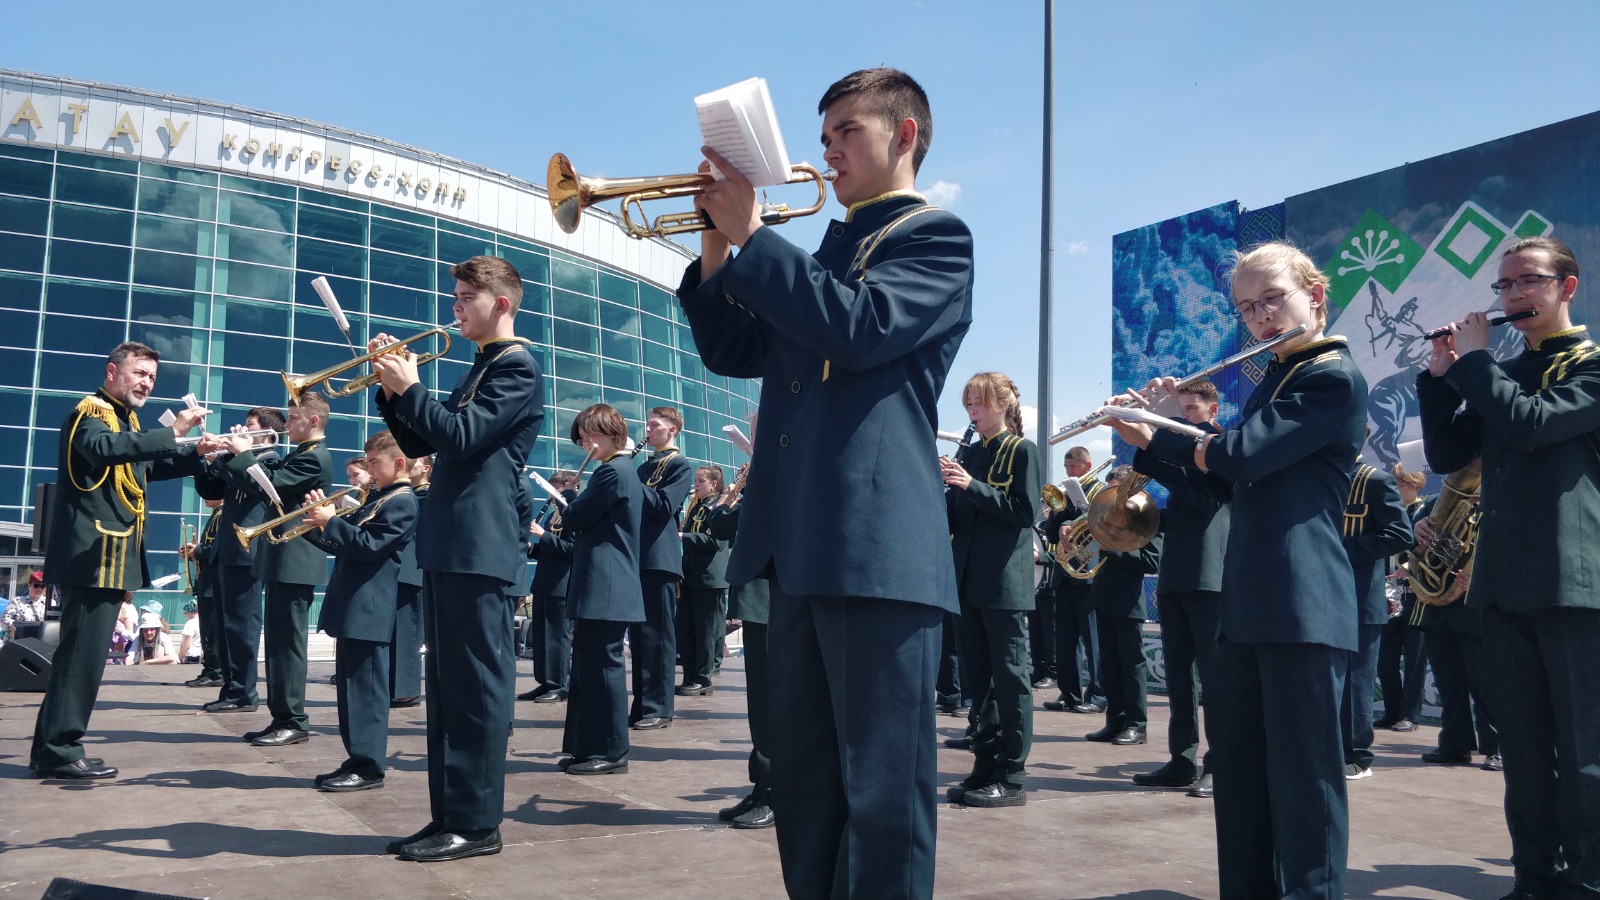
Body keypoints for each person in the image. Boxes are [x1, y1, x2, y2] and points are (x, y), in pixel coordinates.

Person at [677, 67, 973, 897]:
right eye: (824, 135)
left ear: (905, 134)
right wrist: (715, 243)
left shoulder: (935, 237)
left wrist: (755, 240)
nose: (828, 150)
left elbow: (863, 326)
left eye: (847, 131)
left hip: (877, 546)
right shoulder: (828, 253)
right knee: (805, 787)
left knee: (884, 799)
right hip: (799, 544)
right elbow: (735, 351)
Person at [1107, 241, 1368, 898]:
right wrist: (1159, 439)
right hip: (1248, 601)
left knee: (1306, 786)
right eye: (1248, 309)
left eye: (1272, 299)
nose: (1260, 319)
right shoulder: (1275, 379)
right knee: (1242, 781)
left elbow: (1245, 456)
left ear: (1315, 290)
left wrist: (1164, 427)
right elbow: (1224, 488)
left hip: (1303, 603)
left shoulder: (1329, 377)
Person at [1418, 235, 1598, 899]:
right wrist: (1439, 380)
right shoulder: (1503, 374)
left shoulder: (1594, 367)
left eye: (1528, 281)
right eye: (1504, 286)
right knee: (1521, 752)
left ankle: (1586, 883)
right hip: (1500, 582)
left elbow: (1528, 424)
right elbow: (1447, 456)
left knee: (1584, 754)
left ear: (1566, 287)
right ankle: (1533, 881)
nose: (1512, 296)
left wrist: (1473, 363)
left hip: (1574, 582)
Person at [373, 255, 543, 863]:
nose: (455, 306)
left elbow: (463, 437)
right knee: (447, 691)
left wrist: (412, 385)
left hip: (481, 543)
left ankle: (476, 824)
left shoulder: (516, 366)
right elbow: (424, 440)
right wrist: (393, 390)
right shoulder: (481, 366)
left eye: (466, 297)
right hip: (454, 541)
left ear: (501, 304)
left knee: (475, 688)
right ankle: (450, 814)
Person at [28, 340, 219, 779]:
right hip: (95, 554)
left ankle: (53, 746)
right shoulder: (91, 412)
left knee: (83, 655)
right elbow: (102, 450)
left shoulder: (125, 421)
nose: (147, 383)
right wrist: (172, 435)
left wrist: (196, 452)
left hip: (109, 555)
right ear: (112, 371)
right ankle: (59, 748)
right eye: (139, 373)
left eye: (152, 376)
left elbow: (143, 467)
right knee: (82, 656)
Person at [939, 372, 1043, 808]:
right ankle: (984, 765)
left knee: (1010, 679)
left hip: (1003, 582)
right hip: (967, 579)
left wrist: (970, 485)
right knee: (977, 679)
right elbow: (959, 518)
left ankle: (1013, 774)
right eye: (967, 405)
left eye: (978, 404)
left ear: (1001, 405)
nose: (972, 413)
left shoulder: (1022, 450)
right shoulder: (971, 452)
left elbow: (1025, 511)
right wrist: (939, 488)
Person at [302, 430, 418, 792]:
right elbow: (345, 542)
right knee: (351, 692)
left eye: (374, 463)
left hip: (370, 608)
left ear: (398, 463)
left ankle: (369, 767)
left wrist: (331, 521)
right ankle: (357, 759)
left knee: (366, 692)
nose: (368, 470)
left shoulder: (402, 501)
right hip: (355, 606)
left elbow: (368, 546)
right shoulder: (378, 498)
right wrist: (315, 523)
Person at [1129, 380, 1229, 797]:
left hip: (1210, 577)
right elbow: (1178, 506)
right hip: (1176, 576)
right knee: (1179, 677)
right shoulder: (1185, 454)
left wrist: (1155, 433)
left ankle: (1220, 764)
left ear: (1212, 410)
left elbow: (1202, 492)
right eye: (1182, 408)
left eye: (1191, 409)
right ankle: (1181, 759)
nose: (1186, 415)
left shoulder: (1220, 449)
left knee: (1215, 677)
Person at [222, 393, 334, 749]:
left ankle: (293, 719)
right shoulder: (301, 454)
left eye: (293, 417)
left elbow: (270, 485)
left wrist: (243, 453)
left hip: (295, 560)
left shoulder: (314, 459)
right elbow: (265, 478)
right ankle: (282, 717)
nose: (287, 425)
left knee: (288, 646)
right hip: (283, 558)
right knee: (278, 646)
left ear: (313, 421)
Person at [546, 404, 643, 776]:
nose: (585, 443)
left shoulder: (611, 473)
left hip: (606, 584)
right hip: (605, 583)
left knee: (603, 668)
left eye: (588, 436)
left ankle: (612, 750)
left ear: (606, 432)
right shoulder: (619, 471)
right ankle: (590, 746)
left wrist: (569, 496)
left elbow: (576, 519)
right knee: (591, 666)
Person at [196, 407, 285, 713]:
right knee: (225, 625)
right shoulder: (239, 462)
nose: (242, 432)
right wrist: (207, 457)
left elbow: (255, 487)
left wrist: (232, 455)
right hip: (227, 551)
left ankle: (244, 691)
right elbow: (210, 490)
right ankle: (232, 687)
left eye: (249, 427)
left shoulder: (270, 460)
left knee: (242, 626)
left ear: (266, 434)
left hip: (248, 554)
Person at [1338, 454, 1413, 780]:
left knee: (1356, 682)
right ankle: (1331, 749)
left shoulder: (1372, 479)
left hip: (1359, 598)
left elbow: (1400, 534)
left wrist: (1340, 548)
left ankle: (1357, 755)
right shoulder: (1322, 475)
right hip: (1319, 595)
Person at [714, 463, 776, 829]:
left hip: (771, 603)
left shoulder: (778, 476)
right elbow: (719, 523)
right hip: (756, 602)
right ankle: (762, 786)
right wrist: (735, 489)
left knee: (772, 705)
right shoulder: (757, 483)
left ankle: (775, 792)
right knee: (760, 705)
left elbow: (729, 523)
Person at [1082, 466, 1162, 748]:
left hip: (1129, 601)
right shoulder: (1109, 521)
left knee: (1132, 665)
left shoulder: (1148, 518)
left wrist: (1112, 547)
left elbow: (1151, 561)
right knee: (1110, 663)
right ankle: (1114, 721)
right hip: (1104, 596)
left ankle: (1136, 725)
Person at [630, 407, 692, 730]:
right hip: (637, 557)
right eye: (648, 424)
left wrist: (627, 476)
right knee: (640, 636)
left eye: (654, 425)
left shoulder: (680, 466)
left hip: (660, 558)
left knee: (659, 637)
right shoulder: (641, 468)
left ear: (672, 431)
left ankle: (660, 708)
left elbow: (664, 507)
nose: (648, 429)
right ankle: (641, 704)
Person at [1041, 446, 1108, 715]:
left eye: (1073, 467)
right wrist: (1057, 517)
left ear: (1087, 465)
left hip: (1088, 572)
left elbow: (1102, 523)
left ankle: (1098, 694)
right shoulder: (1066, 491)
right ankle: (1069, 692)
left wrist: (1076, 516)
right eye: (1066, 467)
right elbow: (1052, 536)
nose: (1069, 471)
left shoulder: (1101, 491)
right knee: (1065, 639)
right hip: (1065, 573)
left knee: (1092, 638)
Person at [1375, 463, 1428, 732]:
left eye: (1399, 484)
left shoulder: (1425, 509)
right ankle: (1392, 711)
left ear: (1412, 484)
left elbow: (1434, 548)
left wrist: (1409, 568)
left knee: (1415, 658)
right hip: (1393, 593)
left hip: (1418, 593)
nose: (1396, 488)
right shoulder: (1391, 511)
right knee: (1386, 658)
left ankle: (1410, 715)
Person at [520, 467, 578, 703]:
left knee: (557, 636)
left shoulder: (571, 514)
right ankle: (544, 682)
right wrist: (530, 547)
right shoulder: (553, 514)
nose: (550, 496)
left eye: (553, 490)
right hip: (544, 581)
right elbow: (547, 552)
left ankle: (559, 683)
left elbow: (572, 550)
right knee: (542, 637)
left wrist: (543, 535)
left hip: (561, 583)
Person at [677, 464, 731, 696]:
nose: (695, 485)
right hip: (691, 576)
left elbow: (714, 541)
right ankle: (690, 676)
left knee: (706, 632)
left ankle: (703, 678)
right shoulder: (696, 506)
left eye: (700, 481)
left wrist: (682, 536)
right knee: (685, 628)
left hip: (710, 579)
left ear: (714, 485)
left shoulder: (718, 506)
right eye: (696, 480)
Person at [390, 454, 431, 707]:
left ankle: (406, 689)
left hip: (413, 568)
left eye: (411, 462)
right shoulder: (411, 494)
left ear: (425, 469)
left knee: (408, 632)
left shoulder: (426, 496)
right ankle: (396, 685)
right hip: (403, 567)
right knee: (397, 632)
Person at [181, 498, 225, 687]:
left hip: (214, 582)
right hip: (207, 580)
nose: (205, 496)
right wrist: (193, 553)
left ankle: (216, 671)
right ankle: (210, 668)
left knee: (212, 630)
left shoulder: (223, 514)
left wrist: (197, 550)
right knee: (207, 629)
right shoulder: (215, 514)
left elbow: (218, 548)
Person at [3, 571, 48, 641]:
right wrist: (16, 626)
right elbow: (5, 619)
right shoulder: (17, 602)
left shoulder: (50, 604)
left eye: (43, 586)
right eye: (36, 585)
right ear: (29, 585)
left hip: (42, 640)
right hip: (20, 640)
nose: (39, 589)